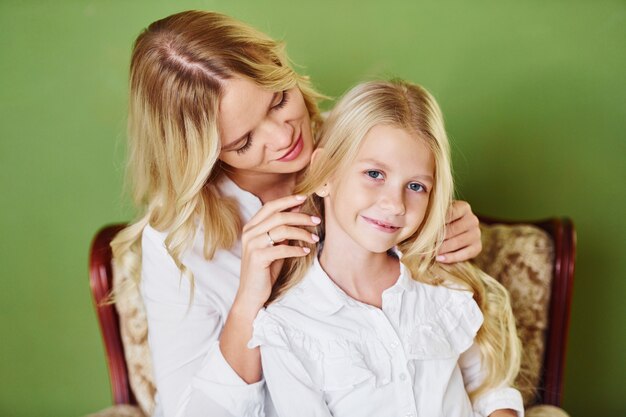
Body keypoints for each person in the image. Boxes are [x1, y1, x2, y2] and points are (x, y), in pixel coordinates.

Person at [111, 10, 483, 417]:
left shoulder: (352, 146)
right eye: (244, 141)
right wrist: (249, 301)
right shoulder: (178, 243)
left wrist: (443, 228)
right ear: (201, 154)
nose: (285, 135)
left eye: (278, 100)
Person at [250, 80, 523, 417]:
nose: (395, 204)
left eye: (415, 186)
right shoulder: (288, 326)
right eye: (375, 173)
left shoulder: (440, 283)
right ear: (324, 174)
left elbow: (491, 391)